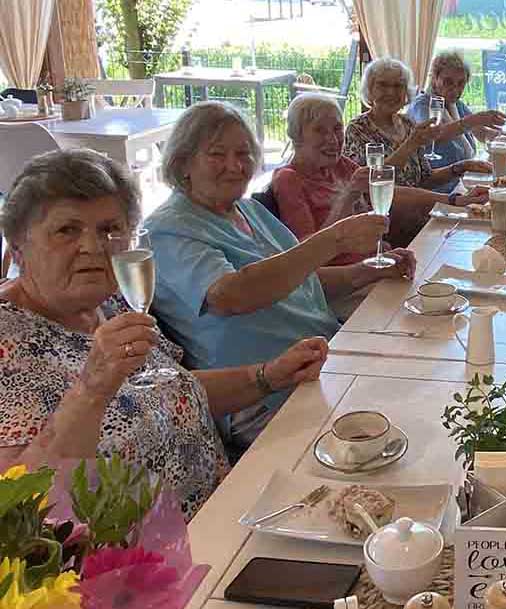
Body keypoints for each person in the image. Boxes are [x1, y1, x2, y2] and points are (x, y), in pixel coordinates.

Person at [0, 149, 330, 519]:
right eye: (66, 230)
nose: (92, 247)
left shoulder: (110, 303)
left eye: (110, 229)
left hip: (225, 511)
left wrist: (266, 376)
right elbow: (21, 507)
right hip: (132, 567)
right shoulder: (9, 343)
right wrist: (91, 390)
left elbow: (172, 389)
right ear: (18, 248)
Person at [144, 101, 416, 450]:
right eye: (216, 154)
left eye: (243, 153)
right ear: (182, 163)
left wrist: (367, 272)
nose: (234, 165)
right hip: (264, 394)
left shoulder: (248, 209)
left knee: (422, 385)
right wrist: (335, 239)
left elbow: (301, 279)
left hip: (324, 357)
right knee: (395, 434)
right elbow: (231, 295)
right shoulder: (168, 230)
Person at [342, 58, 490, 244]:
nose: (391, 92)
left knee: (478, 233)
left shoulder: (407, 124)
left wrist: (461, 167)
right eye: (383, 85)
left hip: (418, 217)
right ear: (369, 90)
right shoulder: (358, 129)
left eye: (398, 86)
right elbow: (372, 186)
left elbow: (424, 178)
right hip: (385, 227)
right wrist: (410, 145)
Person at [273, 93, 371, 266]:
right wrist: (348, 197)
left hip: (375, 261)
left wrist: (434, 200)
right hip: (344, 278)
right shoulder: (289, 179)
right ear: (297, 136)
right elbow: (308, 252)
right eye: (320, 130)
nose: (333, 140)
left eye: (337, 129)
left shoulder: (339, 164)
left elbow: (387, 192)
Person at [406, 51, 506, 193]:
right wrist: (475, 119)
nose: (455, 89)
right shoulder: (422, 105)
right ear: (435, 78)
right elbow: (435, 135)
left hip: (463, 182)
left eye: (461, 83)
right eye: (448, 82)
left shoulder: (455, 104)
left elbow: (480, 132)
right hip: (438, 189)